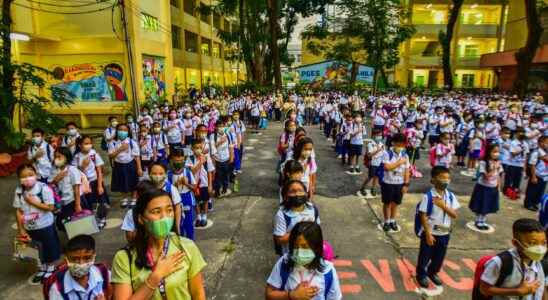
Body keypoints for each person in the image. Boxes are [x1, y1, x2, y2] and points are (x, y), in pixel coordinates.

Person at [111, 188, 207, 300]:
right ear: (141, 219)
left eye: (169, 210)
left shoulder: (186, 247)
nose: (164, 217)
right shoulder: (124, 258)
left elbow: (198, 294)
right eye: (156, 212)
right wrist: (156, 277)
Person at [266, 221, 342, 300]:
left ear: (316, 247)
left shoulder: (328, 271)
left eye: (304, 247)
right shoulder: (284, 262)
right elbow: (269, 294)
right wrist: (291, 295)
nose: (299, 252)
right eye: (295, 246)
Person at [477, 218, 546, 300]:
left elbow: (541, 287)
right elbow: (484, 289)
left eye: (543, 242)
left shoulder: (539, 261)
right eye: (532, 243)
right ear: (516, 243)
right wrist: (517, 291)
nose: (540, 248)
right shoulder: (501, 262)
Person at [14, 164, 61, 283]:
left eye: (30, 175)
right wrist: (21, 229)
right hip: (29, 226)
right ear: (19, 179)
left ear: (36, 175)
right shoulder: (19, 191)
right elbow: (18, 210)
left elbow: (50, 207)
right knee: (36, 247)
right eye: (23, 177)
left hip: (45, 225)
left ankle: (51, 267)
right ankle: (42, 267)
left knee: (49, 245)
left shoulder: (43, 188)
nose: (27, 178)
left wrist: (33, 202)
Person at [415, 166, 460, 289]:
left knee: (439, 256)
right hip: (430, 232)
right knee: (425, 255)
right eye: (442, 178)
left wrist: (443, 206)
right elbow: (423, 215)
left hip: (444, 232)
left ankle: (433, 272)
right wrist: (428, 234)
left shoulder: (450, 196)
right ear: (434, 179)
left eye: (448, 178)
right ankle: (421, 274)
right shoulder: (428, 196)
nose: (445, 181)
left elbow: (454, 214)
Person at [45, 234, 111, 299]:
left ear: (94, 256)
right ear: (66, 259)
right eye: (74, 259)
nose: (81, 263)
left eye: (87, 258)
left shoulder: (104, 274)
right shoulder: (57, 289)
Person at [273, 180, 321, 255]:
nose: (297, 194)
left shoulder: (312, 209)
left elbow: (317, 230)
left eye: (300, 191)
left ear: (306, 193)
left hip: (310, 252)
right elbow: (280, 240)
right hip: (290, 254)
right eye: (292, 191)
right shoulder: (282, 215)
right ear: (286, 197)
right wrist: (299, 229)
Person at [74, 135, 110, 229]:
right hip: (84, 184)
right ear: (79, 145)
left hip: (94, 182)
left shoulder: (93, 154)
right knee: (88, 202)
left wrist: (100, 185)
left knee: (100, 201)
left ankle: (102, 218)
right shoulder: (76, 157)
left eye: (90, 143)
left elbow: (99, 171)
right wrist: (83, 166)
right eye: (86, 143)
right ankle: (92, 219)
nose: (88, 145)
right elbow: (75, 172)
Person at [49, 147, 85, 231]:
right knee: (63, 223)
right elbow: (49, 185)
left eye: (59, 157)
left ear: (67, 157)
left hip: (72, 201)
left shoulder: (72, 170)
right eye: (55, 157)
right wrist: (56, 179)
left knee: (74, 222)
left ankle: (78, 239)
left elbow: (76, 189)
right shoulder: (54, 170)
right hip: (61, 202)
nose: (56, 159)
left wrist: (77, 205)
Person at [469, 144, 504, 231]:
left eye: (498, 152)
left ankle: (483, 220)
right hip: (483, 187)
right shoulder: (483, 163)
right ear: (489, 152)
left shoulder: (498, 162)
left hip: (493, 187)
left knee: (488, 205)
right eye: (494, 152)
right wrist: (493, 168)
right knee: (481, 204)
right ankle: (478, 221)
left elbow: (499, 176)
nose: (497, 154)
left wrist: (498, 187)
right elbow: (486, 177)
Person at [380, 133, 410, 232]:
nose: (400, 146)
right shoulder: (387, 153)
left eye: (402, 144)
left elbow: (407, 171)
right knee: (387, 203)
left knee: (395, 203)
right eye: (398, 144)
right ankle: (387, 221)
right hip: (388, 182)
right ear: (393, 143)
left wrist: (406, 184)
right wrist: (399, 162)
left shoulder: (405, 155)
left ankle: (393, 220)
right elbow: (387, 167)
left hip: (399, 183)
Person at [108, 123, 142, 209]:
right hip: (119, 165)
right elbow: (111, 156)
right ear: (117, 131)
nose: (122, 132)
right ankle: (124, 198)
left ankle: (134, 198)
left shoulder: (131, 142)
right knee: (121, 182)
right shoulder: (113, 143)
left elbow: (137, 156)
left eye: (125, 130)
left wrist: (139, 168)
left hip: (130, 164)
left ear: (128, 132)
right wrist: (120, 149)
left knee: (133, 181)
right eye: (120, 130)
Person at [168, 150, 197, 240]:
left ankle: (190, 242)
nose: (179, 164)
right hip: (175, 201)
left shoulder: (187, 172)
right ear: (172, 161)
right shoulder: (169, 175)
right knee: (177, 224)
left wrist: (187, 184)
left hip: (187, 198)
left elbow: (195, 188)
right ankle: (180, 242)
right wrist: (174, 187)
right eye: (176, 161)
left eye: (181, 161)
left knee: (189, 224)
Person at [149, 163, 184, 236]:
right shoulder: (146, 189)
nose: (158, 176)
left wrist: (177, 227)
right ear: (149, 174)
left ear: (165, 174)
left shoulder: (171, 189)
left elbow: (177, 208)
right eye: (154, 173)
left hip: (169, 223)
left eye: (161, 173)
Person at [187, 139, 215, 228]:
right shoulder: (190, 159)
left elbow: (210, 172)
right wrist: (200, 163)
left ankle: (204, 216)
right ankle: (198, 216)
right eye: (196, 148)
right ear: (192, 149)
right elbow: (192, 172)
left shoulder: (207, 157)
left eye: (200, 147)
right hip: (195, 185)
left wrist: (210, 185)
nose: (198, 150)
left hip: (205, 184)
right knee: (196, 201)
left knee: (206, 200)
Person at [210, 117, 234, 198]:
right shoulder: (213, 136)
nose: (221, 128)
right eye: (219, 126)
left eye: (222, 126)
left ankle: (225, 189)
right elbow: (212, 149)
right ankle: (217, 191)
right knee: (217, 177)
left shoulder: (228, 134)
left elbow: (231, 146)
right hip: (217, 160)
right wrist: (220, 142)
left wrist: (231, 157)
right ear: (216, 127)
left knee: (226, 175)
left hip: (226, 159)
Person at [358, 128, 385, 198]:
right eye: (378, 135)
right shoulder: (370, 144)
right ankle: (362, 188)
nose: (380, 137)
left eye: (380, 135)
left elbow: (383, 153)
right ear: (374, 136)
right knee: (370, 177)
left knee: (376, 177)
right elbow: (369, 155)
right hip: (373, 163)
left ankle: (373, 188)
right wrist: (378, 150)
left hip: (380, 163)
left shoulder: (381, 143)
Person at [524, 136, 548, 211]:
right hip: (537, 175)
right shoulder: (536, 152)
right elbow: (532, 165)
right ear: (540, 143)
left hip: (544, 176)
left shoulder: (546, 152)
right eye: (546, 143)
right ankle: (528, 204)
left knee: (540, 191)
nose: (547, 145)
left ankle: (535, 203)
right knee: (532, 191)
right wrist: (533, 177)